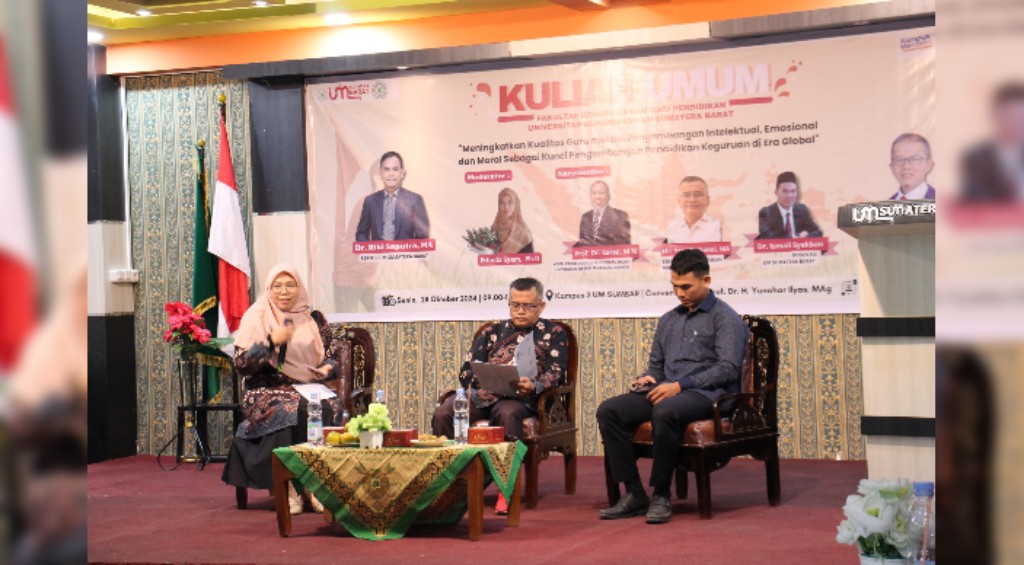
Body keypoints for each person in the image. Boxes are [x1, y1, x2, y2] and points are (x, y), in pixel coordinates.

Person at [596, 249, 748, 524]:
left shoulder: (725, 318)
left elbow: (727, 369)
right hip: (668, 390)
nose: (680, 293)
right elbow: (656, 365)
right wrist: (648, 377)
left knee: (665, 411)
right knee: (610, 411)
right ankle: (634, 492)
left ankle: (661, 494)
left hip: (707, 394)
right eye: (675, 286)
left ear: (706, 280)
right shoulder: (669, 319)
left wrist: (681, 385)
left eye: (686, 286)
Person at [432, 277, 569, 513]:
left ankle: (506, 487)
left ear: (541, 306)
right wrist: (485, 378)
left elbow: (556, 374)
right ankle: (451, 485)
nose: (521, 311)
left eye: (528, 306)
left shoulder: (554, 333)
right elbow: (466, 371)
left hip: (521, 399)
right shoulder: (491, 331)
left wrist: (534, 385)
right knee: (444, 412)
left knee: (506, 413)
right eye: (515, 305)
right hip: (483, 394)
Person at [221, 264, 342, 514]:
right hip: (265, 388)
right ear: (269, 288)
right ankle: (287, 487)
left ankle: (314, 484)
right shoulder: (257, 316)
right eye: (277, 286)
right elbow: (242, 365)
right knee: (288, 410)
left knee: (328, 407)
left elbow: (333, 357)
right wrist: (270, 343)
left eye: (290, 285)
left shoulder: (313, 319)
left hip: (308, 385)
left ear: (299, 288)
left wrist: (325, 370)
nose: (284, 292)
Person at [960, 82, 1024, 202]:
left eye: (1021, 119)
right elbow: (972, 204)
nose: (1016, 125)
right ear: (995, 117)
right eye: (1010, 118)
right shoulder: (976, 159)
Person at [355, 151, 430, 241]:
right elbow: (361, 233)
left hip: (406, 250)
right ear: (381, 174)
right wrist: (369, 249)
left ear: (402, 173)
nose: (391, 174)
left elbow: (422, 237)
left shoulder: (415, 200)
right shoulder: (370, 201)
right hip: (377, 250)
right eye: (386, 169)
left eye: (395, 169)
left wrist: (409, 250)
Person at [756, 171, 822, 239]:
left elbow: (817, 232)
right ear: (776, 192)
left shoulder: (802, 209)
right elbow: (767, 237)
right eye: (785, 191)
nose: (789, 196)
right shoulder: (766, 212)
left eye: (793, 191)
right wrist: (795, 237)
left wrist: (807, 235)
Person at [666, 176, 722, 243]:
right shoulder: (672, 228)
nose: (692, 200)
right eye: (686, 195)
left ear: (707, 200)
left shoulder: (717, 227)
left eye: (698, 195)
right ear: (679, 200)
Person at [576, 180, 631, 246]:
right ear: (590, 196)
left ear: (608, 196)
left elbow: (625, 246)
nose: (597, 197)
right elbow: (582, 244)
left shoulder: (620, 216)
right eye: (594, 193)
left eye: (601, 193)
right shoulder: (585, 217)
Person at [888, 133, 936, 200]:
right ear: (892, 167)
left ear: (928, 165)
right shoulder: (885, 205)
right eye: (899, 160)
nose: (906, 166)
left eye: (915, 159)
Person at [492, 187, 534, 254]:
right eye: (502, 203)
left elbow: (529, 259)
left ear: (516, 205)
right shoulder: (495, 227)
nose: (506, 207)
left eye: (510, 202)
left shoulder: (524, 233)